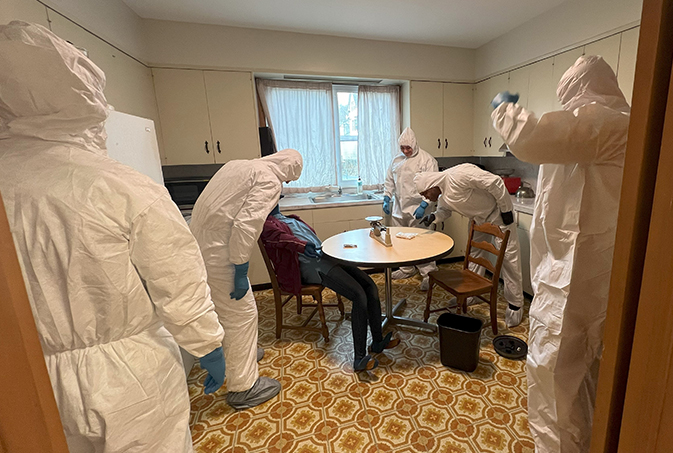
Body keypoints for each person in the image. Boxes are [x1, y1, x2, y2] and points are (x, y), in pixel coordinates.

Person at [0, 21, 226, 452]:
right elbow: (178, 280)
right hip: (129, 377)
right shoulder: (120, 184)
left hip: (26, 379)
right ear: (85, 96)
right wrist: (207, 342)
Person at [491, 55, 630, 453]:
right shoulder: (608, 126)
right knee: (582, 376)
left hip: (573, 277)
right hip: (588, 273)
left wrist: (502, 106)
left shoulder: (603, 122)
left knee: (552, 374)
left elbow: (528, 135)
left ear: (579, 89)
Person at [190, 149, 302, 410]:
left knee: (225, 310)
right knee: (242, 315)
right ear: (287, 170)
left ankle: (241, 354)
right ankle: (243, 387)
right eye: (288, 179)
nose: (285, 183)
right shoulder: (269, 180)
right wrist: (240, 269)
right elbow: (246, 225)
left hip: (198, 245)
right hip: (221, 252)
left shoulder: (238, 164)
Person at [261, 204, 400, 371]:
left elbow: (313, 240)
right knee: (358, 295)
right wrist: (302, 246)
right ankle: (359, 358)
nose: (276, 198)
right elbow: (281, 238)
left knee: (370, 286)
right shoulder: (266, 224)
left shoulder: (291, 218)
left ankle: (377, 341)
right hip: (310, 266)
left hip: (324, 257)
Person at [414, 164, 525, 327]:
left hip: (499, 215)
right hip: (478, 219)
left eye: (425, 193)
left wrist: (506, 210)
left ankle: (516, 305)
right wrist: (434, 217)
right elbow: (445, 211)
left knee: (509, 260)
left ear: (431, 185)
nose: (426, 197)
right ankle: (472, 295)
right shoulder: (443, 195)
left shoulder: (459, 175)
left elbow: (495, 182)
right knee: (475, 255)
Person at [383, 128, 439, 290]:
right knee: (400, 240)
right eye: (403, 148)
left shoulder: (427, 160)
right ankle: (406, 268)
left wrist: (424, 204)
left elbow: (434, 185)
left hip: (419, 208)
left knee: (422, 243)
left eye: (408, 148)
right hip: (399, 208)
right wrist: (387, 197)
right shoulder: (396, 160)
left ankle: (429, 274)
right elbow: (389, 181)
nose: (406, 151)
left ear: (414, 144)